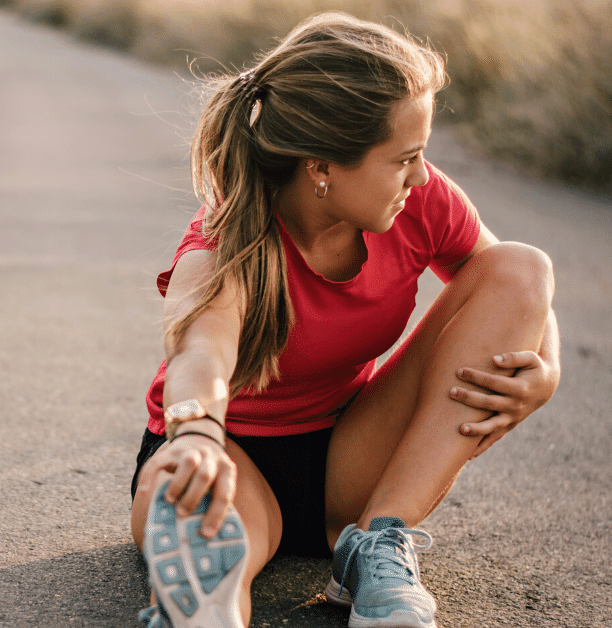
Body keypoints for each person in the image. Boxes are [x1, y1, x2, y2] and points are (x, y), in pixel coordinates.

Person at [129, 11, 560, 628]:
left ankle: (377, 542)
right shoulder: (229, 240)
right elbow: (201, 352)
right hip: (224, 454)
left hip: (349, 455)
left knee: (522, 265)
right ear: (321, 167)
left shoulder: (419, 199)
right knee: (214, 550)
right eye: (403, 158)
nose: (420, 175)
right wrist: (194, 432)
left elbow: (515, 291)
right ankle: (201, 609)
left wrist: (546, 369)